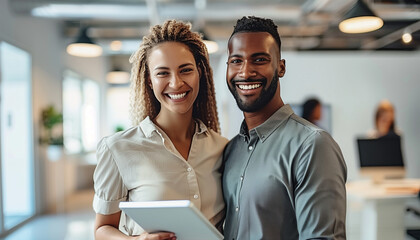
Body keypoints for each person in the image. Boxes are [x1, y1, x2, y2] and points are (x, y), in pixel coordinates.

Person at [93, 20, 228, 240]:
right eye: (162, 73)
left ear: (200, 73)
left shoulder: (222, 148)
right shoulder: (118, 149)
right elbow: (101, 230)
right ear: (149, 80)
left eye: (185, 70)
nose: (176, 83)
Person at [222, 16, 347, 240]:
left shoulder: (312, 145)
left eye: (259, 60)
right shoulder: (231, 150)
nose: (245, 71)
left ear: (280, 67)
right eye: (236, 61)